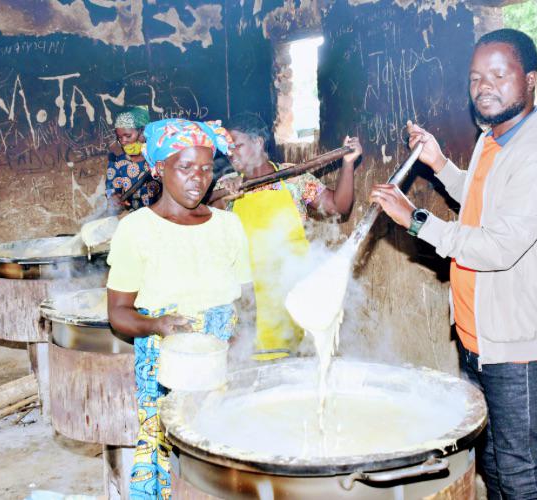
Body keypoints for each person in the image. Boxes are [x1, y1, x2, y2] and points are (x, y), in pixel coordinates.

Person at [369, 29, 537, 499]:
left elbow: (497, 246)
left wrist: (415, 219)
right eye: (476, 78)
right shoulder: (494, 139)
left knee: (519, 473)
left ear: (529, 80)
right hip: (478, 335)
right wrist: (441, 164)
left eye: (499, 75)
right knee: (494, 467)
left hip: (519, 347)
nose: (485, 86)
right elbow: (482, 203)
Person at [106, 118, 253, 499]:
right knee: (168, 456)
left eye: (206, 169)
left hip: (222, 363)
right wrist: (159, 325)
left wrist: (240, 350)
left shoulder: (228, 226)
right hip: (164, 366)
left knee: (220, 458)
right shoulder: (136, 230)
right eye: (185, 167)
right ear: (159, 168)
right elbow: (118, 312)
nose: (198, 179)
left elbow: (247, 303)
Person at [214, 113, 362, 360]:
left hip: (290, 291)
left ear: (258, 142)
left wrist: (348, 164)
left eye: (237, 145)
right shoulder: (227, 185)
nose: (231, 153)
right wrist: (219, 196)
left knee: (290, 368)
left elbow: (338, 207)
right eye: (228, 148)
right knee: (250, 366)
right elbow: (203, 218)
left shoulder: (292, 178)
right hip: (247, 297)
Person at [106, 106, 162, 212]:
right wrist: (113, 197)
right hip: (135, 219)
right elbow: (110, 190)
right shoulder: (117, 163)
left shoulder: (158, 158)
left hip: (162, 218)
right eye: (119, 137)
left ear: (142, 132)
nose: (123, 141)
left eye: (128, 136)